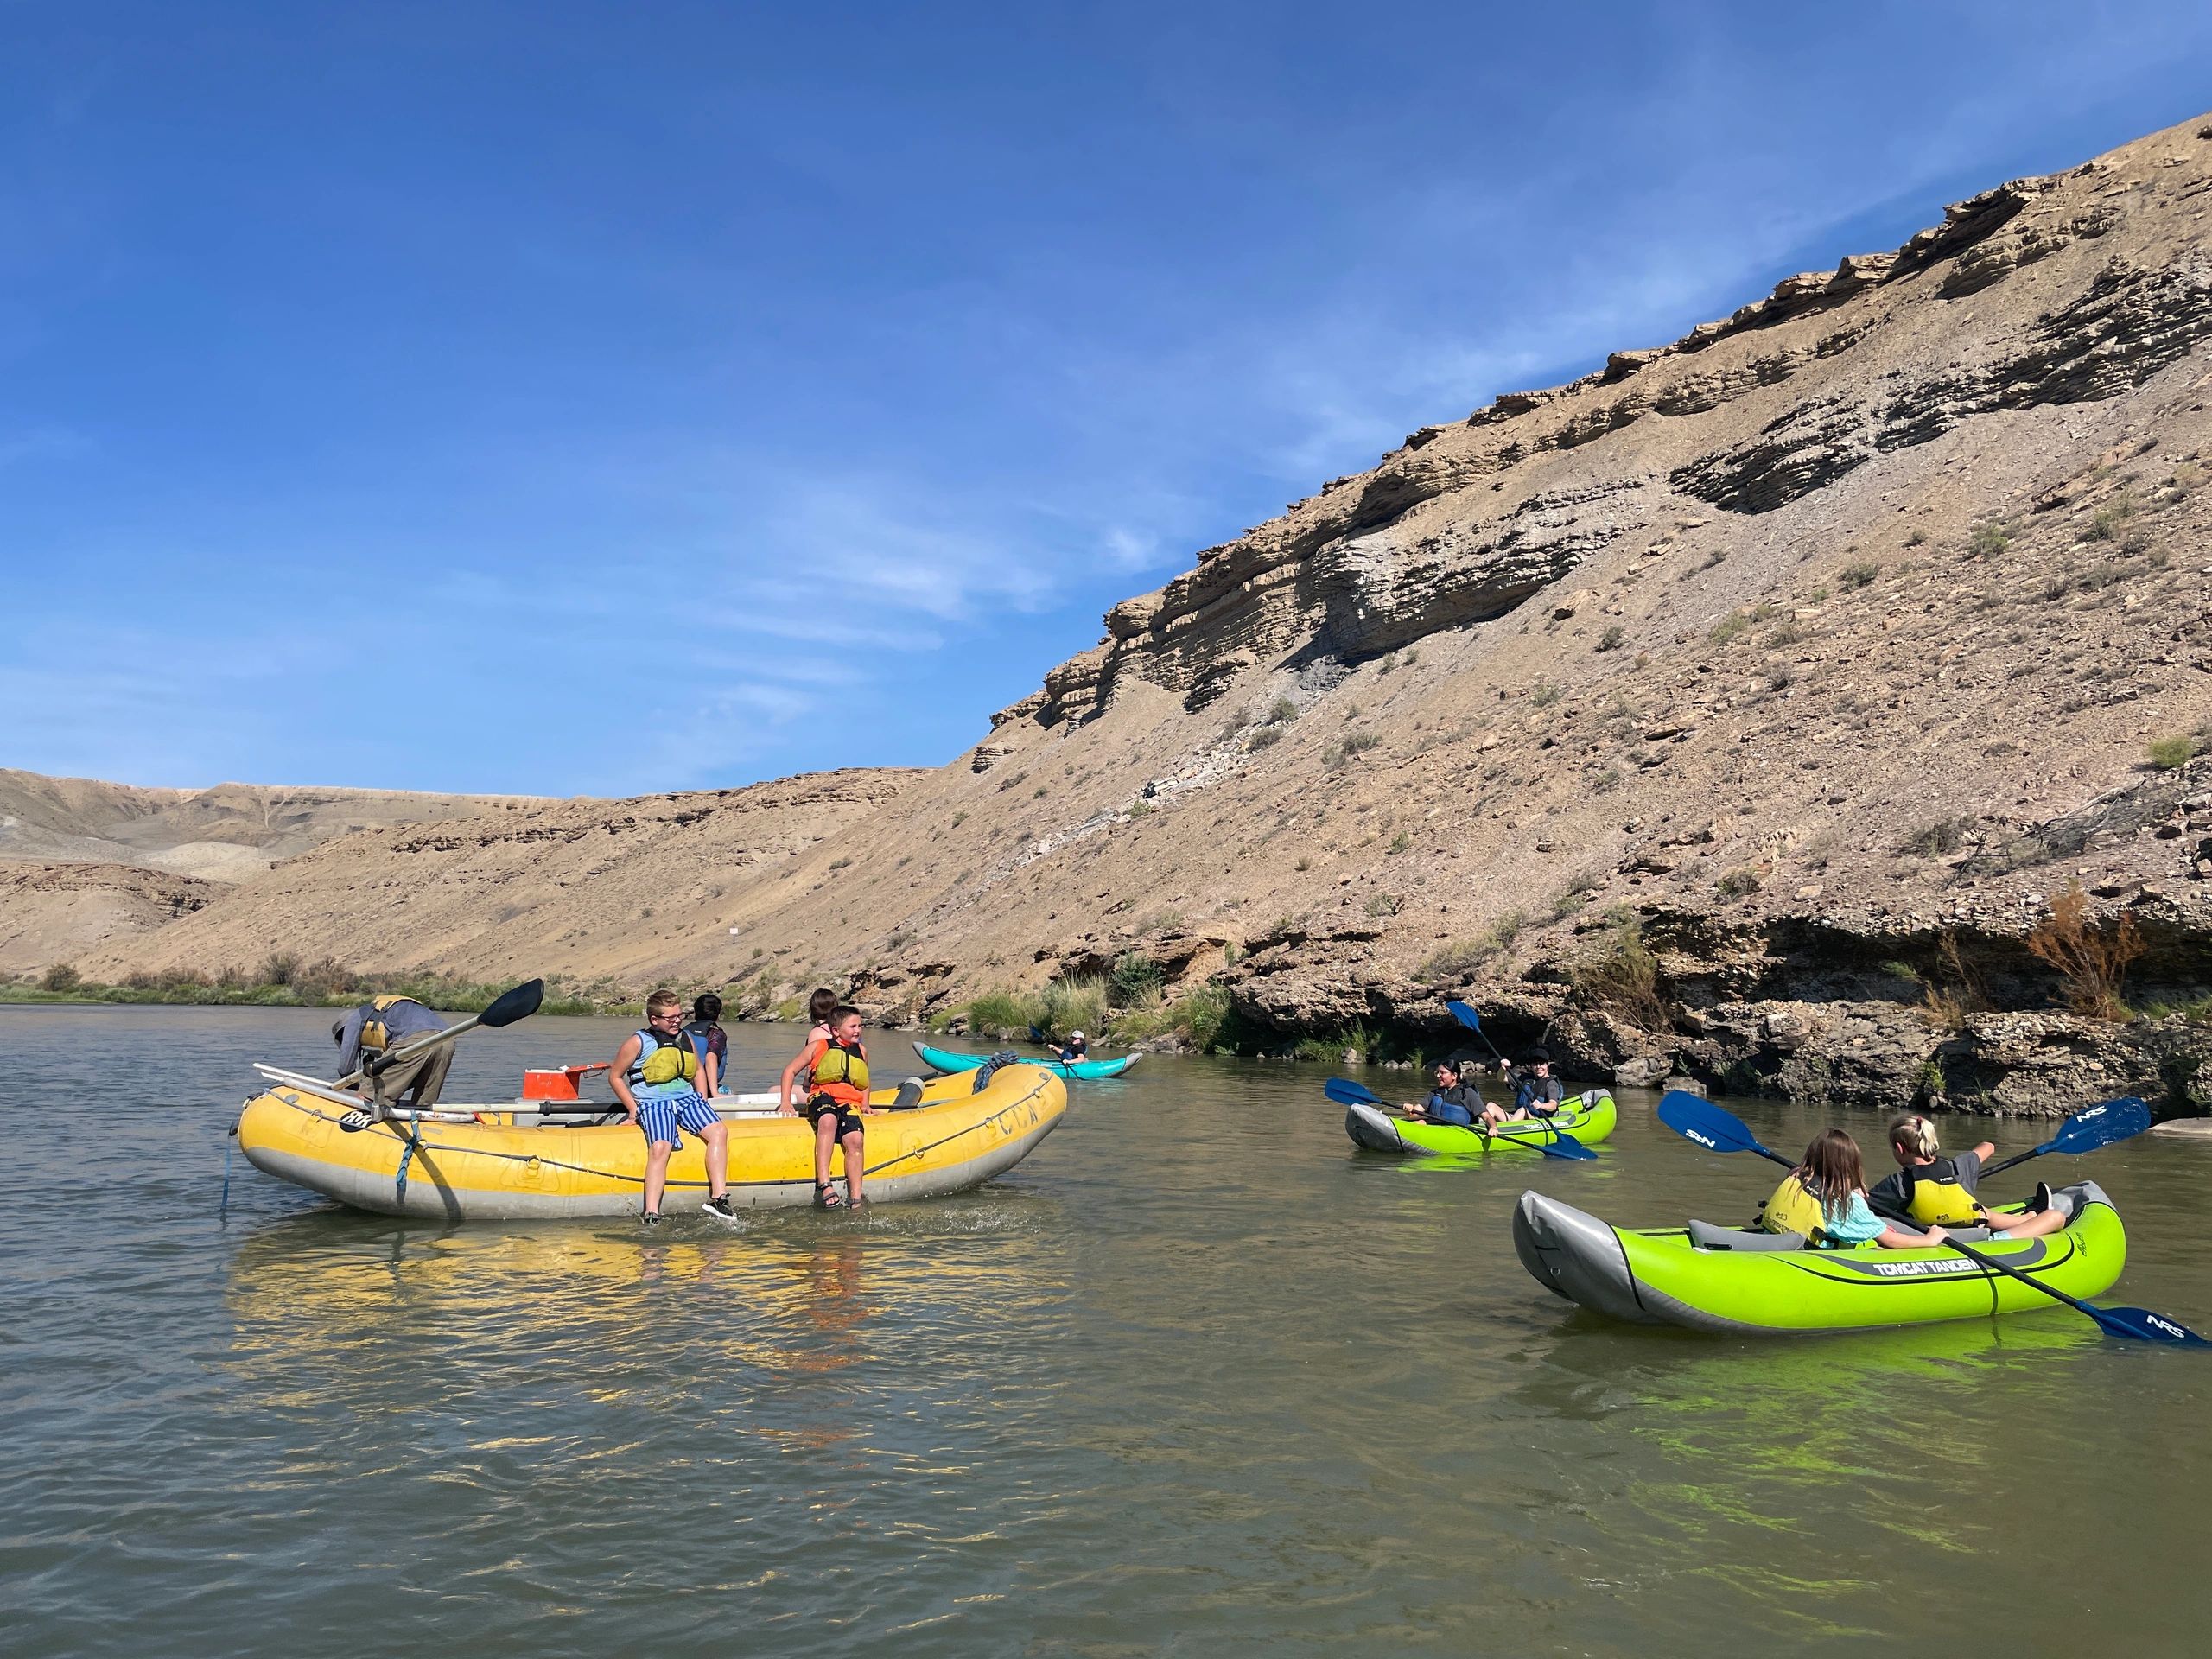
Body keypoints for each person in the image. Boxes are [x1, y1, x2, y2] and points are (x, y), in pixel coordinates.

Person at [611, 988, 734, 1224]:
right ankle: (651, 1213)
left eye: (680, 1015)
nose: (677, 1020)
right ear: (654, 1019)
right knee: (660, 1147)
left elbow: (697, 1069)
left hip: (687, 1099)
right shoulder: (637, 1042)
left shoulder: (685, 1037)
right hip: (653, 1103)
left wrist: (701, 1097)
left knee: (719, 1131)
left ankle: (719, 1198)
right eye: (671, 1017)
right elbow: (616, 1077)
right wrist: (633, 1109)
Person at [1868, 1113, 2068, 1240]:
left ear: (1900, 1148)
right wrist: (1970, 1166)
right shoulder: (1958, 1167)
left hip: (1936, 1237)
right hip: (1977, 1233)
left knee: (1981, 1212)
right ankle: (2020, 1226)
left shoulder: (1898, 1183)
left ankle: (2029, 1217)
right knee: (2056, 1217)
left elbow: (1861, 1205)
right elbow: (1988, 1147)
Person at [1755, 1128, 1948, 1249]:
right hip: (1809, 1256)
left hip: (1778, 1243)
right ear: (1851, 1164)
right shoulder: (1845, 1201)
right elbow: (1890, 1240)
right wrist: (1930, 1239)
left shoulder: (1796, 1177)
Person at [779, 1002, 875, 1208]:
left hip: (849, 1102)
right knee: (828, 1120)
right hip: (822, 1096)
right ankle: (824, 1183)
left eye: (860, 1025)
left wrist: (866, 1104)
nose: (858, 1030)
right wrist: (786, 1102)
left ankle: (855, 1197)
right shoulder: (818, 1046)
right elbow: (789, 1071)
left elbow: (863, 1079)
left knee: (856, 1139)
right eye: (852, 1026)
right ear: (835, 1030)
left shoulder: (862, 1051)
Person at [332, 994, 452, 1108]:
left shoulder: (354, 1018)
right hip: (447, 1040)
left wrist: (357, 1088)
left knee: (369, 1095)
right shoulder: (385, 1013)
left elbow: (345, 1069)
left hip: (415, 1040)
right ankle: (422, 1122)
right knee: (423, 1104)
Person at [1480, 1049, 1564, 1128]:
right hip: (1516, 1118)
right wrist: (1503, 1068)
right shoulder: (1524, 1078)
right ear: (1531, 1066)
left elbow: (1553, 1105)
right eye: (1535, 1064)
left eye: (1542, 1064)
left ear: (1547, 1065)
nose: (1538, 1067)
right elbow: (1501, 1078)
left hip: (1536, 1121)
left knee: (1523, 1110)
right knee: (1491, 1106)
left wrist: (1541, 1105)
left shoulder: (1551, 1084)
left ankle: (1504, 1132)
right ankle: (1484, 1130)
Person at [1402, 1060, 1484, 1127]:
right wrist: (1409, 1110)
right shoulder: (1433, 1094)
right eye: (1437, 1073)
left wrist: (1493, 1127)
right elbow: (1413, 1114)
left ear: (1454, 1076)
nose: (1438, 1076)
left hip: (1461, 1131)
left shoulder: (1467, 1093)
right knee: (1420, 1122)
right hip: (1437, 1129)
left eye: (1442, 1073)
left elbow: (1486, 1116)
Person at [683, 993, 728, 1098]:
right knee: (731, 1093)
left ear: (695, 1013)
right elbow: (710, 1057)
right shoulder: (717, 1034)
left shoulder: (684, 1031)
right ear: (718, 1015)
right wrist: (715, 1093)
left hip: (684, 1086)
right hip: (705, 1088)